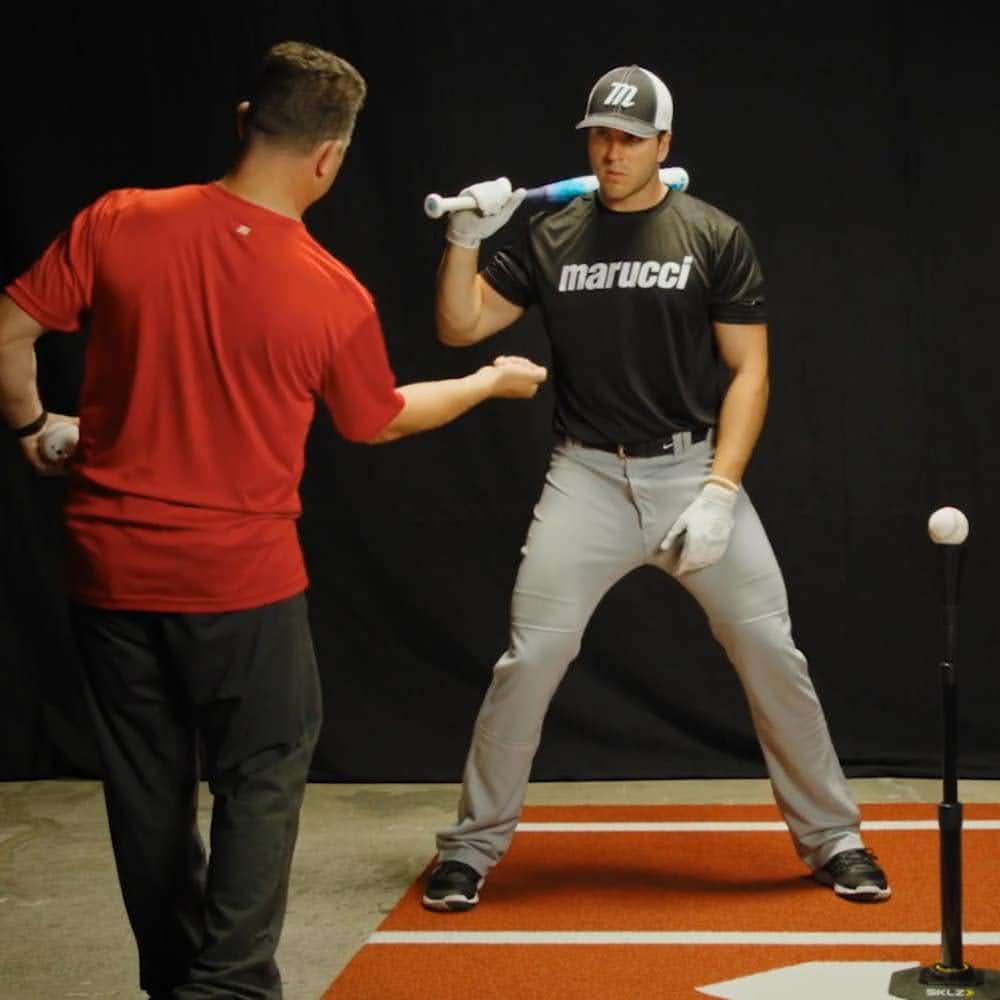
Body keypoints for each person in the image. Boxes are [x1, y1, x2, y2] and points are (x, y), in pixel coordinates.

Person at [0, 42, 545, 1000]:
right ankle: (234, 986)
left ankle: (182, 983)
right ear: (330, 157)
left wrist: (37, 427)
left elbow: (8, 331)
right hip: (239, 585)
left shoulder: (122, 219)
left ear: (249, 117)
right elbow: (376, 420)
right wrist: (483, 382)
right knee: (259, 781)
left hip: (107, 576)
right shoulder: (331, 293)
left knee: (146, 794)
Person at [423, 64, 890, 911]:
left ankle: (835, 838)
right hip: (587, 477)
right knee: (530, 660)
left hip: (692, 473)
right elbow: (460, 326)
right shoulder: (550, 235)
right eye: (600, 135)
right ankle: (472, 848)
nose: (611, 151)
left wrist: (720, 491)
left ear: (664, 145)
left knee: (773, 654)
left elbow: (750, 372)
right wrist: (465, 237)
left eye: (631, 138)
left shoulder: (713, 235)